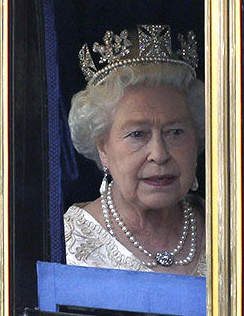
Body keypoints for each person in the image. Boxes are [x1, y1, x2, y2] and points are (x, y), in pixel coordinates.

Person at [65, 25, 206, 276]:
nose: (159, 154)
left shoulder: (230, 229)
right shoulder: (67, 245)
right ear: (103, 148)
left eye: (174, 132)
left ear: (196, 140)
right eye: (137, 134)